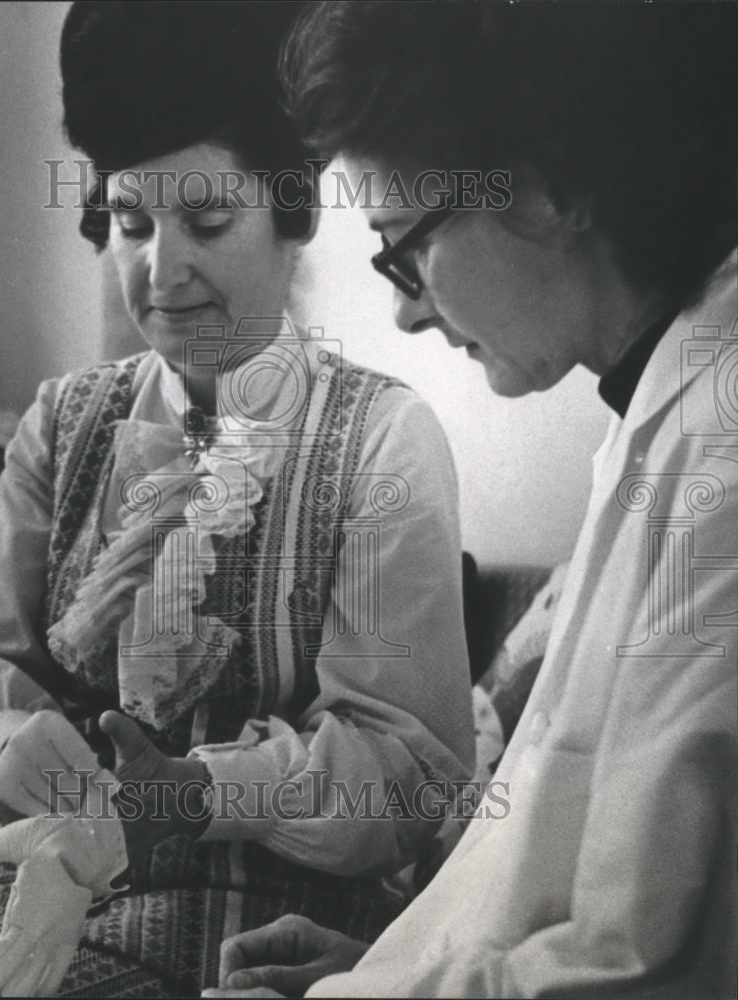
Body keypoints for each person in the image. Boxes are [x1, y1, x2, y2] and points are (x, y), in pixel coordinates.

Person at [0, 3, 475, 996]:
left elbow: (406, 772)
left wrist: (192, 794)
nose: (160, 270)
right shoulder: (66, 422)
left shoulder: (380, 438)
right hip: (32, 864)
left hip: (267, 903)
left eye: (207, 222)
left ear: (294, 217)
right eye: (130, 224)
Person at [206, 3, 738, 997]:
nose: (406, 310)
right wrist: (389, 963)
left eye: (403, 248)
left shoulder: (720, 458)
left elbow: (653, 966)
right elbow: (564, 871)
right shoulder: (661, 412)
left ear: (546, 191)